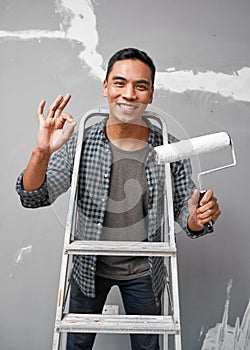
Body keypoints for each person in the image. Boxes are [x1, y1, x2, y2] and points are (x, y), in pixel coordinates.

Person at [16, 48, 221, 350]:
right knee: (77, 345)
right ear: (106, 87)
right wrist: (42, 152)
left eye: (140, 86)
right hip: (88, 268)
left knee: (148, 347)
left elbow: (185, 213)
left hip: (145, 272)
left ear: (151, 94)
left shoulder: (171, 149)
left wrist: (196, 216)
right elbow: (34, 196)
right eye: (119, 83)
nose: (129, 94)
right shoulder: (82, 143)